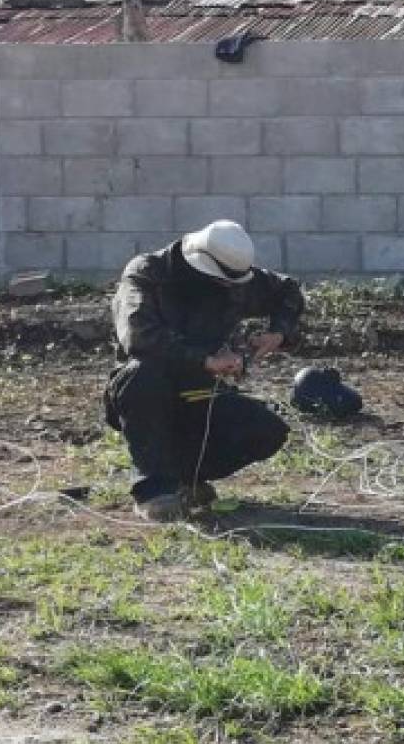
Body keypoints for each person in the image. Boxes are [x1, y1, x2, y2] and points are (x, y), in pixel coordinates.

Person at [103, 220, 304, 521]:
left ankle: (185, 478)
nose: (228, 288)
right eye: (223, 281)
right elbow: (140, 338)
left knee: (267, 430)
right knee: (143, 374)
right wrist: (205, 360)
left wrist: (279, 333)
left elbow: (287, 291)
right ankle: (155, 491)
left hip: (200, 394)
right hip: (144, 393)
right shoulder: (149, 273)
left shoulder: (234, 278)